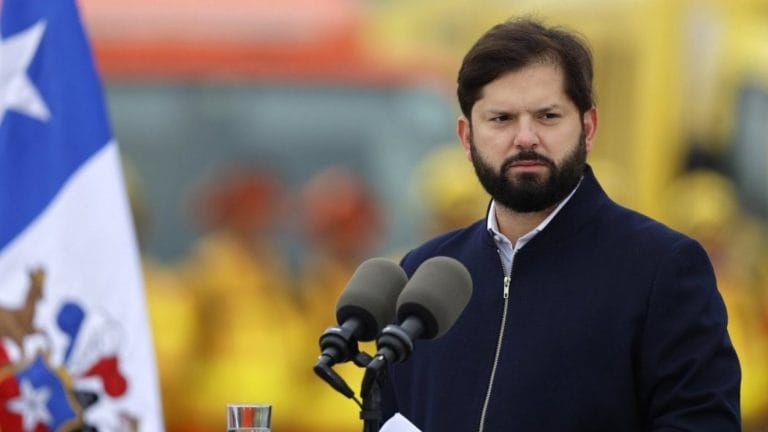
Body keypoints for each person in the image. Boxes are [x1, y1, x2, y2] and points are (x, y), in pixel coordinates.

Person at [379, 17, 741, 431]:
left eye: (548, 116)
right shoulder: (424, 277)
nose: (525, 137)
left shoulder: (661, 269)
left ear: (588, 128)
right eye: (501, 119)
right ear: (466, 137)